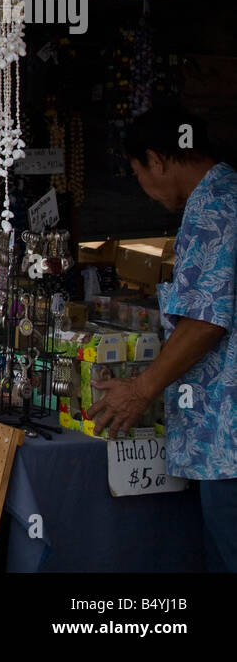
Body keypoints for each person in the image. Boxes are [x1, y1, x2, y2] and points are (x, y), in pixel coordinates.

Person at [92, 106, 237, 571]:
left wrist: (140, 390)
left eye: (137, 174)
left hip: (228, 442)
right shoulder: (223, 195)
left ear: (157, 160)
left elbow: (206, 321)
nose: (144, 189)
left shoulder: (215, 206)